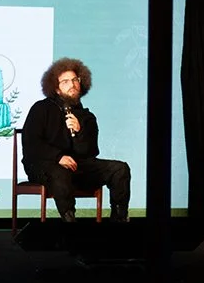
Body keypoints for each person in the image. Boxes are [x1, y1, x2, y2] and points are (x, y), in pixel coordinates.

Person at [22, 57, 131, 222]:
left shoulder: (87, 117)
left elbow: (90, 152)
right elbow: (31, 144)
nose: (72, 84)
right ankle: (70, 221)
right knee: (61, 172)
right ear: (56, 88)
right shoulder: (41, 108)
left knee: (120, 169)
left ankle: (119, 219)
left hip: (78, 166)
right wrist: (58, 157)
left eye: (75, 80)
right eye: (65, 81)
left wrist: (79, 132)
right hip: (44, 166)